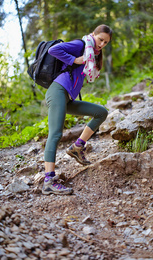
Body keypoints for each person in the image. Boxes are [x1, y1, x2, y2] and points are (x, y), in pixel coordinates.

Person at [42, 24, 112, 195]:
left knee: (101, 112)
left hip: (67, 97)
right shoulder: (81, 45)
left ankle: (77, 147)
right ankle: (48, 180)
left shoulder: (92, 54)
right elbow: (54, 50)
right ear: (93, 34)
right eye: (100, 39)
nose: (102, 44)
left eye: (106, 42)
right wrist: (74, 60)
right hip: (57, 90)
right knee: (56, 133)